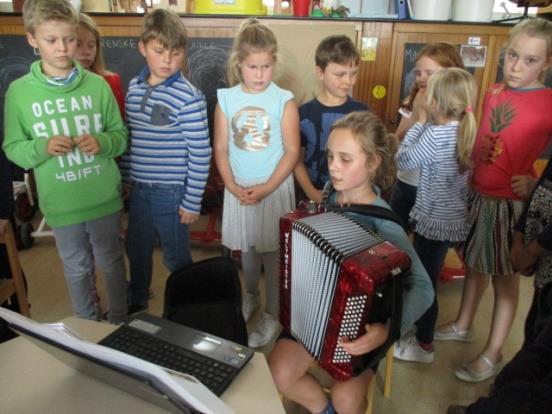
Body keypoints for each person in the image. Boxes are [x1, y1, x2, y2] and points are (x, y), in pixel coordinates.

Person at [268, 111, 433, 414]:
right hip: (313, 317)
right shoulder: (330, 198)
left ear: (373, 163)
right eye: (331, 156)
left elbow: (423, 287)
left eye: (346, 159)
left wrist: (387, 331)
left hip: (362, 328)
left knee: (347, 399)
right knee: (278, 373)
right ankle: (322, 410)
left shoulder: (385, 223)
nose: (333, 166)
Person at [436, 17, 552, 383]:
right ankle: (464, 323)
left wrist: (535, 185)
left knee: (504, 280)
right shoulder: (495, 92)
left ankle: (493, 351)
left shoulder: (549, 103)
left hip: (508, 206)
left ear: (547, 64)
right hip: (478, 196)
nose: (517, 66)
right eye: (512, 55)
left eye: (530, 60)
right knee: (474, 264)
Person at [3, 0, 128, 323]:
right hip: (61, 202)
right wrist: (42, 147)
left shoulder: (97, 85)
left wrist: (101, 142)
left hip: (103, 197)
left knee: (112, 261)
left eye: (69, 39)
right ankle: (87, 328)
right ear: (32, 39)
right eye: (51, 40)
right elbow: (14, 147)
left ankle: (120, 322)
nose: (62, 48)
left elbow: (120, 137)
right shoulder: (19, 93)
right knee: (76, 267)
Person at [214, 18, 300, 348]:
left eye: (266, 66)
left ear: (274, 62)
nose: (260, 74)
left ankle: (272, 312)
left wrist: (266, 188)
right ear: (240, 63)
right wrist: (232, 185)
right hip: (239, 188)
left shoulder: (284, 100)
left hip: (273, 189)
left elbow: (292, 151)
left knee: (272, 254)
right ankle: (249, 295)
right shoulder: (226, 99)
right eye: (253, 66)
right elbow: (221, 147)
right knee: (247, 249)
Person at [122, 9, 211, 315]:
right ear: (142, 47)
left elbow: (200, 152)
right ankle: (137, 296)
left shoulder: (189, 97)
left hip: (172, 192)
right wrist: (124, 180)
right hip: (140, 189)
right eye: (159, 52)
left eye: (176, 53)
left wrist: (191, 201)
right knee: (136, 248)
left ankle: (188, 305)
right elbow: (130, 139)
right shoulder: (133, 89)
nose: (167, 60)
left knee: (175, 256)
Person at [447, 156, 552, 414]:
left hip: (540, 247)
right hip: (543, 265)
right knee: (535, 342)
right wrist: (520, 236)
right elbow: (541, 185)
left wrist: (533, 249)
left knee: (540, 370)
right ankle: (500, 396)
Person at [393, 68, 477, 364]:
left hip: (433, 221)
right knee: (427, 277)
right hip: (451, 220)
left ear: (437, 103)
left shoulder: (435, 134)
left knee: (424, 283)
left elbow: (401, 158)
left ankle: (424, 344)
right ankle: (420, 334)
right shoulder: (465, 131)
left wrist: (419, 122)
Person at [389, 43, 464, 227]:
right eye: (418, 73)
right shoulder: (410, 101)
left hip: (431, 193)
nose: (422, 78)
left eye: (430, 73)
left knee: (426, 240)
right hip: (404, 180)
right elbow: (398, 137)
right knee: (394, 231)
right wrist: (415, 113)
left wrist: (426, 114)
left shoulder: (454, 110)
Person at [293, 34, 367, 204]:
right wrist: (312, 193)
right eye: (340, 74)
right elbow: (296, 160)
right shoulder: (303, 113)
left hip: (352, 197)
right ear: (320, 72)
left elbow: (368, 158)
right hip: (312, 194)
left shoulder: (362, 113)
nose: (348, 81)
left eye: (353, 74)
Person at [74, 12, 125, 116]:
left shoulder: (111, 81)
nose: (86, 51)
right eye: (78, 45)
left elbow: (120, 125)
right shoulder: (57, 85)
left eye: (91, 45)